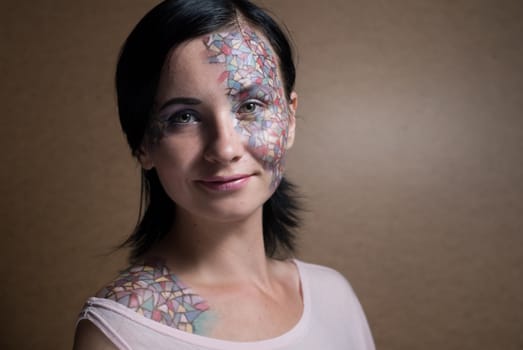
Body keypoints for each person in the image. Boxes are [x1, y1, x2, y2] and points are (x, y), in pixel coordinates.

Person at [73, 0, 375, 349]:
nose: (225, 148)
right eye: (184, 117)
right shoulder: (118, 330)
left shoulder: (333, 297)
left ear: (289, 119)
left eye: (250, 107)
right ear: (143, 144)